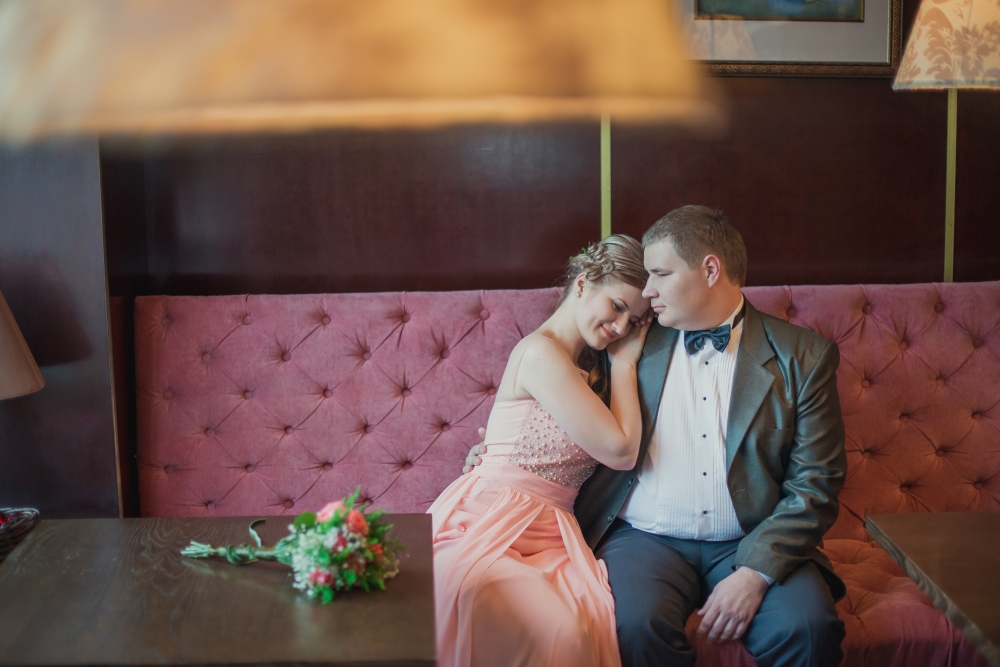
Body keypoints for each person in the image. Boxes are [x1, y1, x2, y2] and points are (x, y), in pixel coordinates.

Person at [467, 206, 848, 667]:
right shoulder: (621, 341)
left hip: (753, 537)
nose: (647, 291)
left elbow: (816, 483)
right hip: (645, 540)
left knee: (808, 629)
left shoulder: (802, 357)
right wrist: (497, 450)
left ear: (710, 270)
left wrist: (755, 573)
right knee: (630, 627)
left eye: (660, 275)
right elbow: (555, 410)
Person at [428, 234, 653, 667]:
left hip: (552, 533)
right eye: (618, 306)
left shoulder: (587, 367)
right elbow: (622, 451)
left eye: (635, 320)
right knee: (561, 632)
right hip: (493, 523)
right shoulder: (539, 353)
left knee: (583, 619)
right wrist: (626, 364)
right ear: (583, 283)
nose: (623, 328)